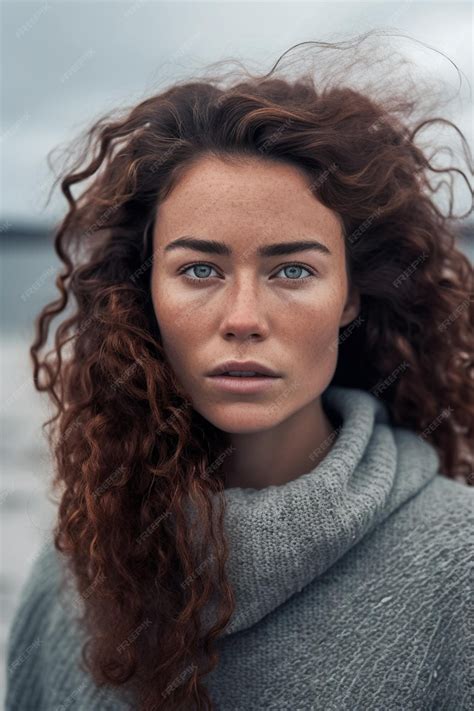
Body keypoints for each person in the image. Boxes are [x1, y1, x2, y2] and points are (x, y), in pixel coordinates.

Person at [5, 30, 473, 711]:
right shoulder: (76, 574)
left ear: (350, 296)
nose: (243, 316)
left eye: (292, 269)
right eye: (200, 269)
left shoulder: (460, 569)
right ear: (143, 293)